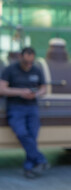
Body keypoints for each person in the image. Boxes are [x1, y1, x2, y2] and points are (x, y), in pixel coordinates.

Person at [0, 47, 49, 179]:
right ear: (20, 57)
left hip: (32, 107)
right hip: (16, 107)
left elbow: (44, 89)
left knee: (32, 137)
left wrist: (35, 94)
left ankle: (29, 168)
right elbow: (2, 89)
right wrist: (21, 92)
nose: (29, 64)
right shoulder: (10, 69)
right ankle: (41, 160)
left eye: (31, 62)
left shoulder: (37, 70)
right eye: (26, 62)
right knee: (22, 133)